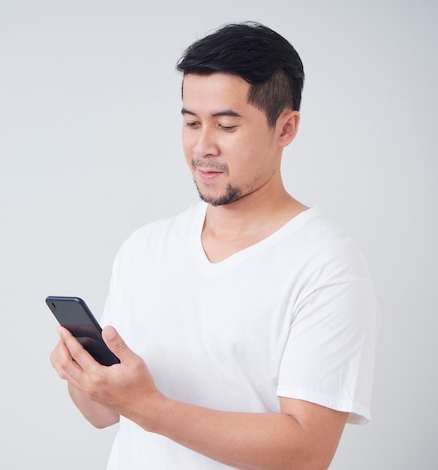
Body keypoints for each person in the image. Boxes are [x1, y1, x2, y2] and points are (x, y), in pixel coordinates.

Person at [50, 21, 379, 470]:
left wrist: (150, 407)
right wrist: (86, 380)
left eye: (226, 125)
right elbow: (103, 415)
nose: (202, 146)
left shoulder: (326, 264)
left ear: (285, 128)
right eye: (190, 122)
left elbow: (307, 451)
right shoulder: (145, 249)